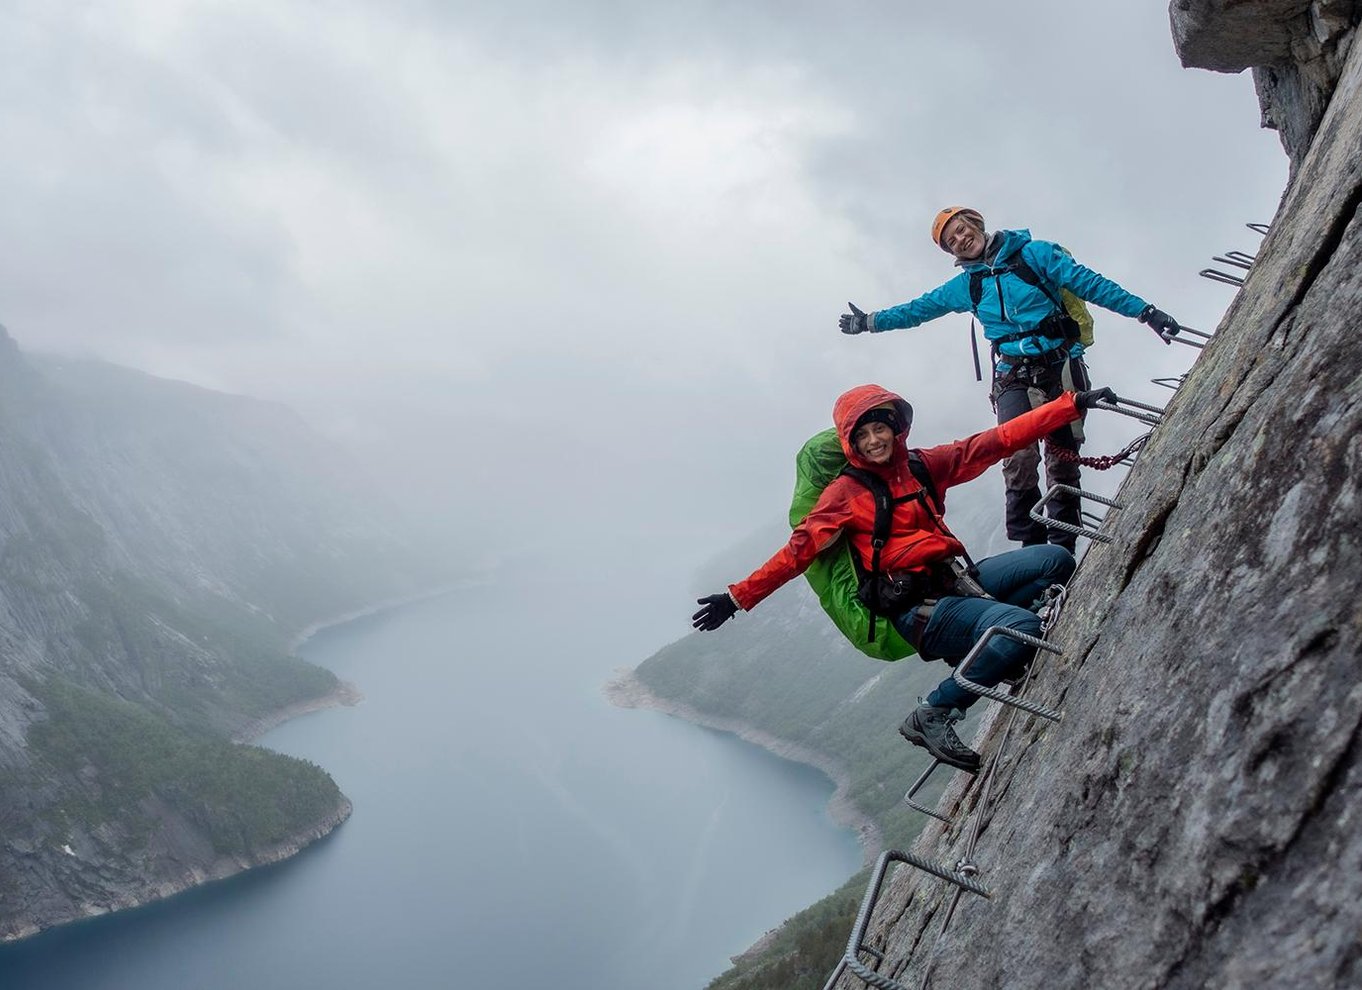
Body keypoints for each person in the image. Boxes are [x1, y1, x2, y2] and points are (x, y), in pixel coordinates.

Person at [690, 382, 1116, 771]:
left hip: (956, 583)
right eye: (862, 435)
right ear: (850, 444)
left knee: (1054, 560)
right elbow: (798, 553)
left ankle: (989, 651)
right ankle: (934, 711)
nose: (874, 441)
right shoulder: (844, 495)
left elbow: (995, 442)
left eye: (879, 429)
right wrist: (736, 598)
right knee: (1023, 627)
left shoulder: (921, 466)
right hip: (914, 611)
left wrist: (1069, 405)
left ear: (896, 428)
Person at [838, 207, 1181, 552]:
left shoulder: (1035, 254)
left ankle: (1062, 552)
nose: (960, 239)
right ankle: (1033, 555)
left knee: (1063, 461)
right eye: (950, 240)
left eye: (961, 229)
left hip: (1061, 365)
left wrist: (1145, 313)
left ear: (976, 224)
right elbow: (917, 310)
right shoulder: (966, 286)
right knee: (1017, 458)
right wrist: (870, 321)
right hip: (1013, 375)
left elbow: (1091, 284)